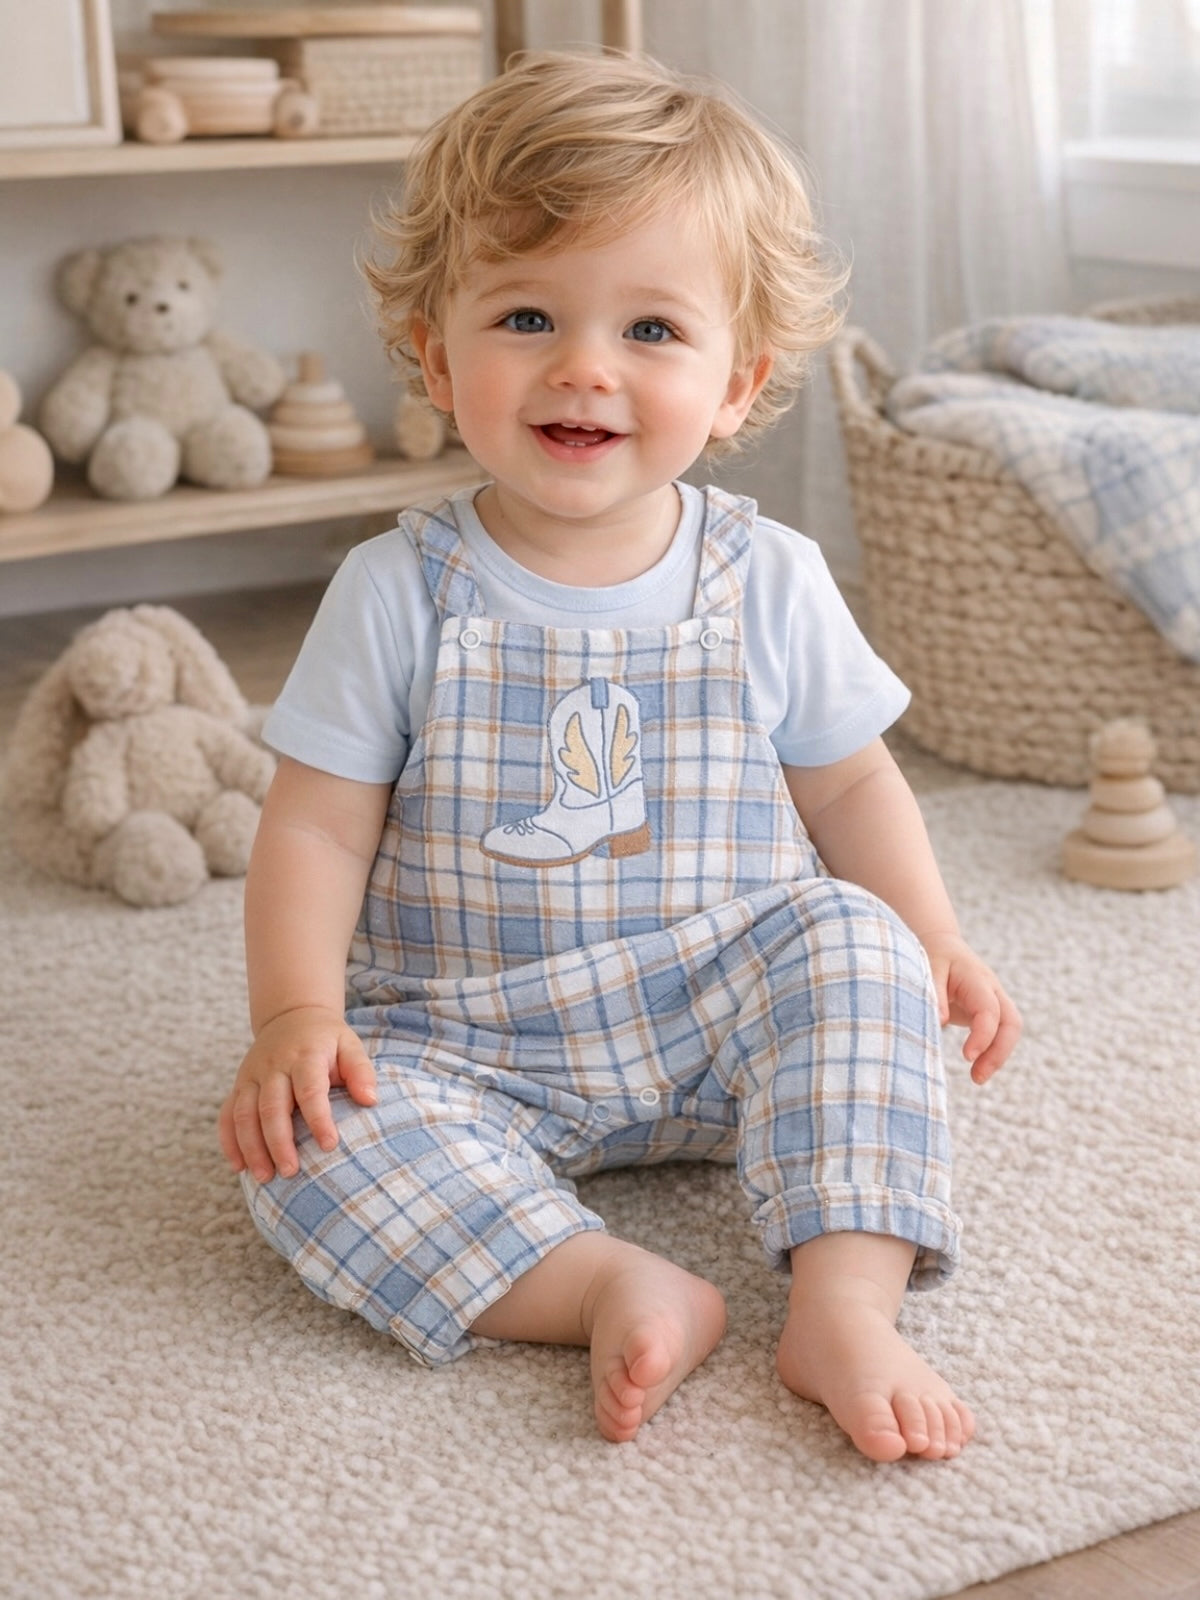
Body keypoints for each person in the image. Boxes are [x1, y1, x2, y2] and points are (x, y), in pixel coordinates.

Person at [218, 50, 1021, 1463]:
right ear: (436, 357)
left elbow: (850, 783)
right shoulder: (397, 590)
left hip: (721, 1006)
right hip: (468, 1032)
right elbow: (317, 826)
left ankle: (842, 1306)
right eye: (527, 316)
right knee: (305, 1143)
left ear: (736, 383)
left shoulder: (767, 574)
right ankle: (601, 1282)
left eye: (652, 329)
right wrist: (295, 1013)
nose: (585, 366)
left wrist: (933, 935)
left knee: (858, 946)